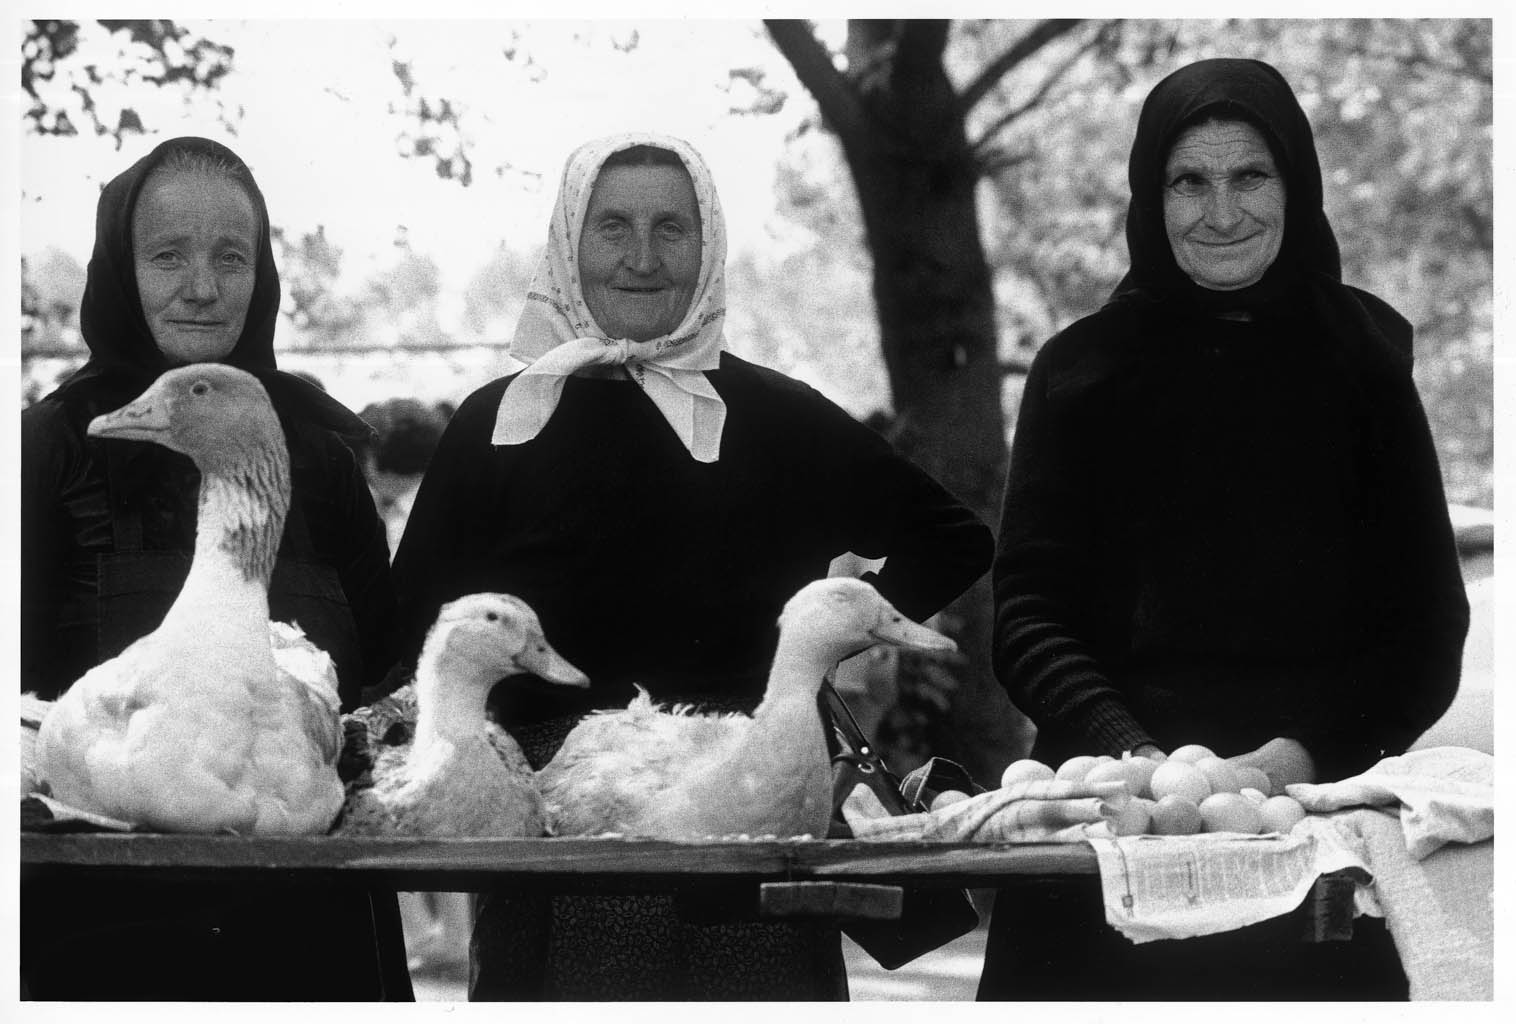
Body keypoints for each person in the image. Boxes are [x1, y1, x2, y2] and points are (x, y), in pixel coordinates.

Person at [391, 132, 993, 1000]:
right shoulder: (498, 425)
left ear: (708, 244)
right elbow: (413, 621)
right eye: (613, 228)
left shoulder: (777, 417)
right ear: (570, 242)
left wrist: (818, 645)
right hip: (563, 826)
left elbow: (954, 537)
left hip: (744, 802)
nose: (642, 258)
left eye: (671, 228)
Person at [980, 58, 1469, 1000]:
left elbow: (1423, 630)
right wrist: (1145, 765)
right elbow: (1029, 614)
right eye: (1188, 181)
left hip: (1310, 811)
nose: (1220, 210)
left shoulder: (1365, 363)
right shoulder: (1080, 371)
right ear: (1149, 195)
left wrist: (1284, 763)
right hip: (1108, 810)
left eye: (1250, 176)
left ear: (1296, 183)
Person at [20, 136, 412, 1000]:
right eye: (168, 256)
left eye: (230, 256)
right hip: (98, 930)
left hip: (312, 921)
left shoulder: (322, 453)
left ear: (262, 272)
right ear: (121, 270)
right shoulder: (52, 448)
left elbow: (389, 664)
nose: (203, 286)